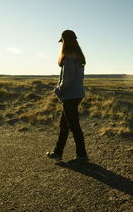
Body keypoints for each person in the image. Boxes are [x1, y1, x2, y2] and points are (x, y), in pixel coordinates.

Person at [46, 29, 88, 164]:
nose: (61, 44)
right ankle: (58, 152)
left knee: (74, 126)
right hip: (76, 94)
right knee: (64, 125)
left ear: (65, 41)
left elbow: (68, 79)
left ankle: (82, 156)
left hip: (70, 96)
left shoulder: (69, 56)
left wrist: (58, 91)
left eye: (62, 41)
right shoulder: (78, 56)